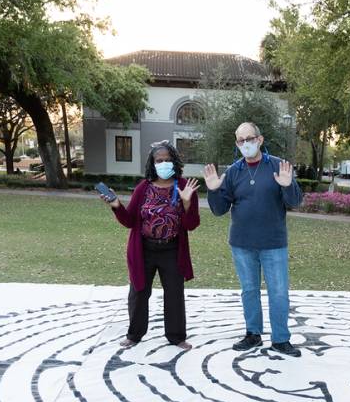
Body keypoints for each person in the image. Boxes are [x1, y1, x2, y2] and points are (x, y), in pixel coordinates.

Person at [203, 122, 303, 357]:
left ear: (260, 139)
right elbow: (219, 210)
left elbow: (295, 201)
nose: (245, 144)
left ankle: (280, 339)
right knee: (249, 290)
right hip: (242, 243)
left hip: (273, 243)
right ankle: (253, 334)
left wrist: (288, 187)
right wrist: (213, 189)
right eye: (240, 140)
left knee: (278, 292)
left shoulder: (278, 166)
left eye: (250, 138)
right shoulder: (234, 171)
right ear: (237, 144)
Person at [100, 141, 200, 350]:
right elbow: (129, 221)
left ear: (174, 162)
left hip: (172, 249)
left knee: (174, 293)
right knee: (139, 291)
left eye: (167, 160)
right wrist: (116, 206)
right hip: (144, 249)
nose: (163, 163)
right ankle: (134, 334)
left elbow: (191, 225)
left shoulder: (184, 187)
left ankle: (176, 336)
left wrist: (187, 203)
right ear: (152, 164)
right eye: (159, 160)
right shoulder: (143, 188)